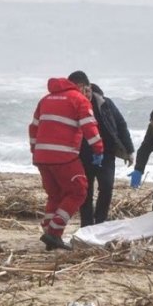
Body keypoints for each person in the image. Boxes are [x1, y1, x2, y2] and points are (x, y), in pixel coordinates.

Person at [29, 76, 104, 251]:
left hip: (42, 156)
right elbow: (89, 126)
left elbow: (33, 128)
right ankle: (54, 232)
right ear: (80, 86)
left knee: (55, 195)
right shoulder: (78, 99)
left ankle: (49, 230)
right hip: (64, 157)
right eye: (86, 89)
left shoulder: (45, 99)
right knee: (79, 191)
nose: (87, 93)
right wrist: (98, 150)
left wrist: (35, 150)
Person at [70, 72, 135, 227]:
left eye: (83, 90)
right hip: (82, 154)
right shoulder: (72, 105)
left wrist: (129, 150)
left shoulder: (104, 103)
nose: (82, 94)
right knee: (85, 191)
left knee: (106, 187)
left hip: (106, 153)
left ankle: (100, 223)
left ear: (88, 87)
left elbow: (120, 124)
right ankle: (86, 225)